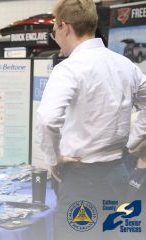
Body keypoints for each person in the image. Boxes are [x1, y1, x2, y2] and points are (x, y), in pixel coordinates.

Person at [37, 0, 146, 239]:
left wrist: (53, 158)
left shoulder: (69, 69)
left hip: (81, 178)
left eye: (53, 31)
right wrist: (131, 141)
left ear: (65, 27)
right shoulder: (125, 65)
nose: (55, 37)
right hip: (117, 174)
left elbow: (47, 119)